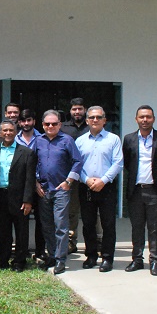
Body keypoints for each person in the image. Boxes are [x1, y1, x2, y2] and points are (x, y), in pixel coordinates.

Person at [122, 105, 157, 276]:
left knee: (154, 228)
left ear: (153, 119)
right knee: (136, 227)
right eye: (141, 117)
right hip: (135, 190)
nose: (145, 120)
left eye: (148, 117)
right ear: (136, 119)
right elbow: (127, 163)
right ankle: (137, 259)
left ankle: (154, 260)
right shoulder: (129, 139)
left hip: (154, 191)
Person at [75, 106, 123, 272]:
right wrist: (87, 180)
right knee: (88, 223)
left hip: (106, 187)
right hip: (86, 187)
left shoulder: (113, 139)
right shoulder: (80, 141)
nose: (95, 120)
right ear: (87, 120)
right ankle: (91, 256)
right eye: (92, 117)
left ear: (104, 120)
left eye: (99, 117)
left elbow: (118, 162)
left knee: (108, 224)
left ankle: (107, 258)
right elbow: (76, 164)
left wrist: (103, 180)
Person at [34, 110, 83, 275]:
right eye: (47, 124)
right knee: (47, 226)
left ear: (60, 124)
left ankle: (61, 260)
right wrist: (35, 183)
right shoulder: (38, 141)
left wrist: (69, 181)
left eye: (54, 123)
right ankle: (52, 256)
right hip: (43, 190)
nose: (50, 126)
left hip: (60, 190)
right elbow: (32, 163)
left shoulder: (67, 140)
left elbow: (77, 161)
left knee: (61, 225)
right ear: (42, 125)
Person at [0, 120, 36, 272]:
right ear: (0, 133)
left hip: (19, 198)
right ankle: (1, 260)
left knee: (21, 231)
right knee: (1, 231)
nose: (8, 133)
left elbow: (30, 178)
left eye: (11, 130)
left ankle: (19, 261)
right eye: (5, 131)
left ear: (16, 132)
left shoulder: (27, 152)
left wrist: (28, 199)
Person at [61, 97, 89, 253]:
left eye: (80, 108)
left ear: (84, 109)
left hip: (90, 176)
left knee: (93, 211)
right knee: (71, 210)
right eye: (74, 109)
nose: (77, 112)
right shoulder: (63, 128)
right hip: (70, 176)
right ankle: (71, 241)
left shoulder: (91, 126)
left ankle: (96, 241)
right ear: (70, 111)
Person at [16, 108, 45, 261]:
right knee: (22, 219)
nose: (26, 123)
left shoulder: (43, 138)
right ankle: (23, 250)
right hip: (21, 186)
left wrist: (36, 182)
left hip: (40, 185)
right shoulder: (14, 139)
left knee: (41, 220)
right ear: (19, 122)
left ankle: (40, 251)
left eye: (29, 120)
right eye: (23, 120)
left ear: (34, 121)